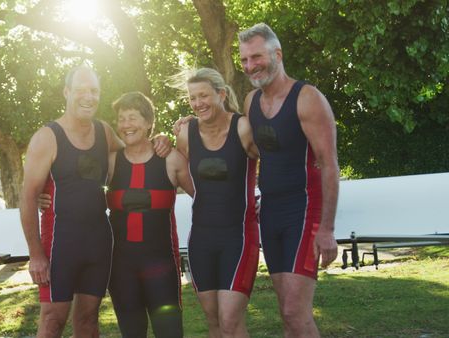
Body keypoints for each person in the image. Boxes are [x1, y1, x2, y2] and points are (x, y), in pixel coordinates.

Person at [21, 64, 171, 337]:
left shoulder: (103, 132)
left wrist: (162, 139)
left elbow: (135, 149)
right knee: (52, 321)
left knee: (89, 320)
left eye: (94, 91)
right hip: (59, 245)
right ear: (67, 92)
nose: (87, 97)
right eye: (80, 90)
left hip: (98, 244)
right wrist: (35, 253)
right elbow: (28, 197)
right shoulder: (47, 137)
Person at [238, 23, 339, 337]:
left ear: (277, 54)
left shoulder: (307, 98)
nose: (250, 66)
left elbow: (329, 164)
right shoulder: (250, 102)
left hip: (304, 212)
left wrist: (327, 228)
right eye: (244, 60)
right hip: (270, 213)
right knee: (287, 313)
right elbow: (249, 151)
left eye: (256, 57)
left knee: (296, 312)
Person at [172, 68, 259, 337]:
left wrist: (263, 196)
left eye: (204, 96)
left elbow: (275, 159)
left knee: (230, 319)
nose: (198, 103)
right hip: (201, 238)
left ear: (221, 94)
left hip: (239, 237)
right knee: (214, 322)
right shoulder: (186, 134)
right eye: (193, 98)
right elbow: (182, 172)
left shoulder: (243, 127)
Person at [106, 92, 193, 337]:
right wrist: (43, 196)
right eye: (121, 119)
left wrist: (249, 204)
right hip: (121, 268)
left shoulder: (171, 160)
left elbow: (205, 195)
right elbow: (76, 186)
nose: (125, 125)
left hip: (161, 266)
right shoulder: (110, 162)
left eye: (132, 117)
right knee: (132, 333)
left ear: (148, 122)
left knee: (169, 332)